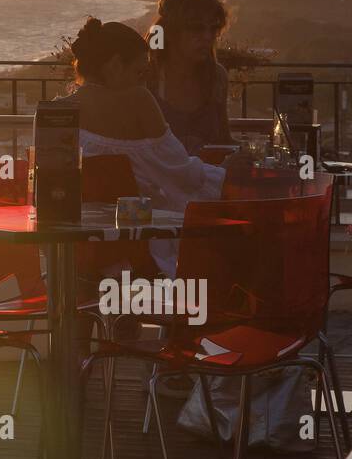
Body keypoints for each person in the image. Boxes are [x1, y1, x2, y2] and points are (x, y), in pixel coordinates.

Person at [66, 18, 242, 276]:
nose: (142, 81)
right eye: (139, 72)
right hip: (141, 247)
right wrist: (228, 171)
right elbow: (183, 175)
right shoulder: (138, 100)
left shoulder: (58, 111)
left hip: (80, 250)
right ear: (115, 65)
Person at [146, 0, 234, 156]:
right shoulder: (148, 79)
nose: (208, 37)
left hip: (207, 180)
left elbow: (224, 141)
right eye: (197, 28)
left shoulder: (217, 77)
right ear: (171, 32)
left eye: (213, 29)